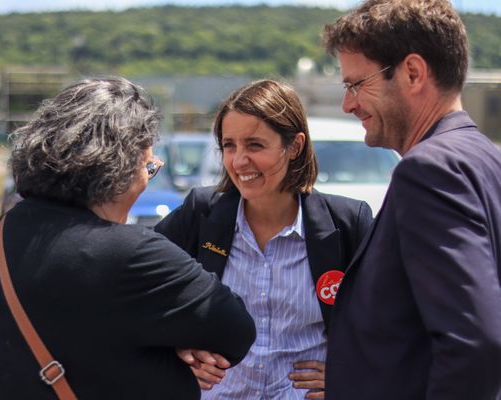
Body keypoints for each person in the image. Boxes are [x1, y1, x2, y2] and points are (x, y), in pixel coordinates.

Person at [0, 77, 256, 399]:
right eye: (148, 167)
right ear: (120, 167)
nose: (146, 181)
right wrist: (176, 346)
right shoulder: (131, 253)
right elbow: (235, 330)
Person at [321, 0, 501, 398]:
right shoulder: (485, 157)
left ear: (413, 73)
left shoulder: (429, 171)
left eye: (356, 84)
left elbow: (474, 343)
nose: (348, 104)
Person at [155, 79, 373, 399]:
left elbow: (390, 320)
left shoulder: (347, 223)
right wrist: (176, 352)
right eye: (230, 145)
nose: (239, 161)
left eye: (255, 145)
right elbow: (140, 292)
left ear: (295, 146)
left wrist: (351, 373)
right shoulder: (200, 214)